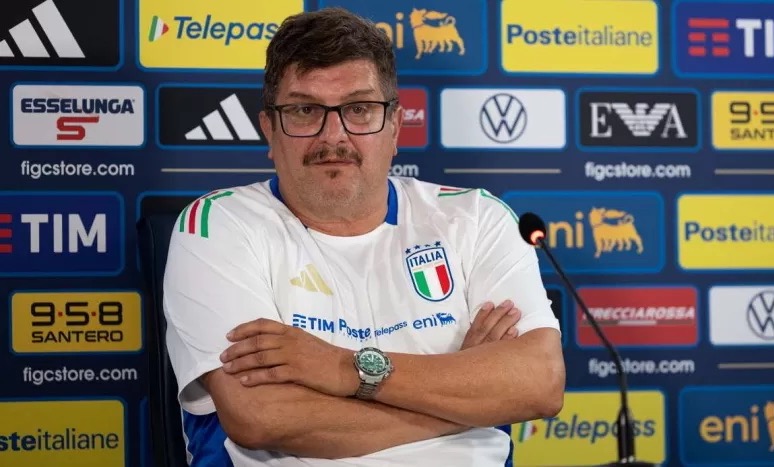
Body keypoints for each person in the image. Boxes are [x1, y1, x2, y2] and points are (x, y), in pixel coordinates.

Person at [162, 6, 565, 466]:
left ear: (394, 126)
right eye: (304, 110)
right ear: (269, 130)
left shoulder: (477, 217)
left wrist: (342, 367)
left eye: (358, 109)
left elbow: (540, 383)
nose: (333, 136)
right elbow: (263, 417)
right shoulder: (216, 226)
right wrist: (467, 401)